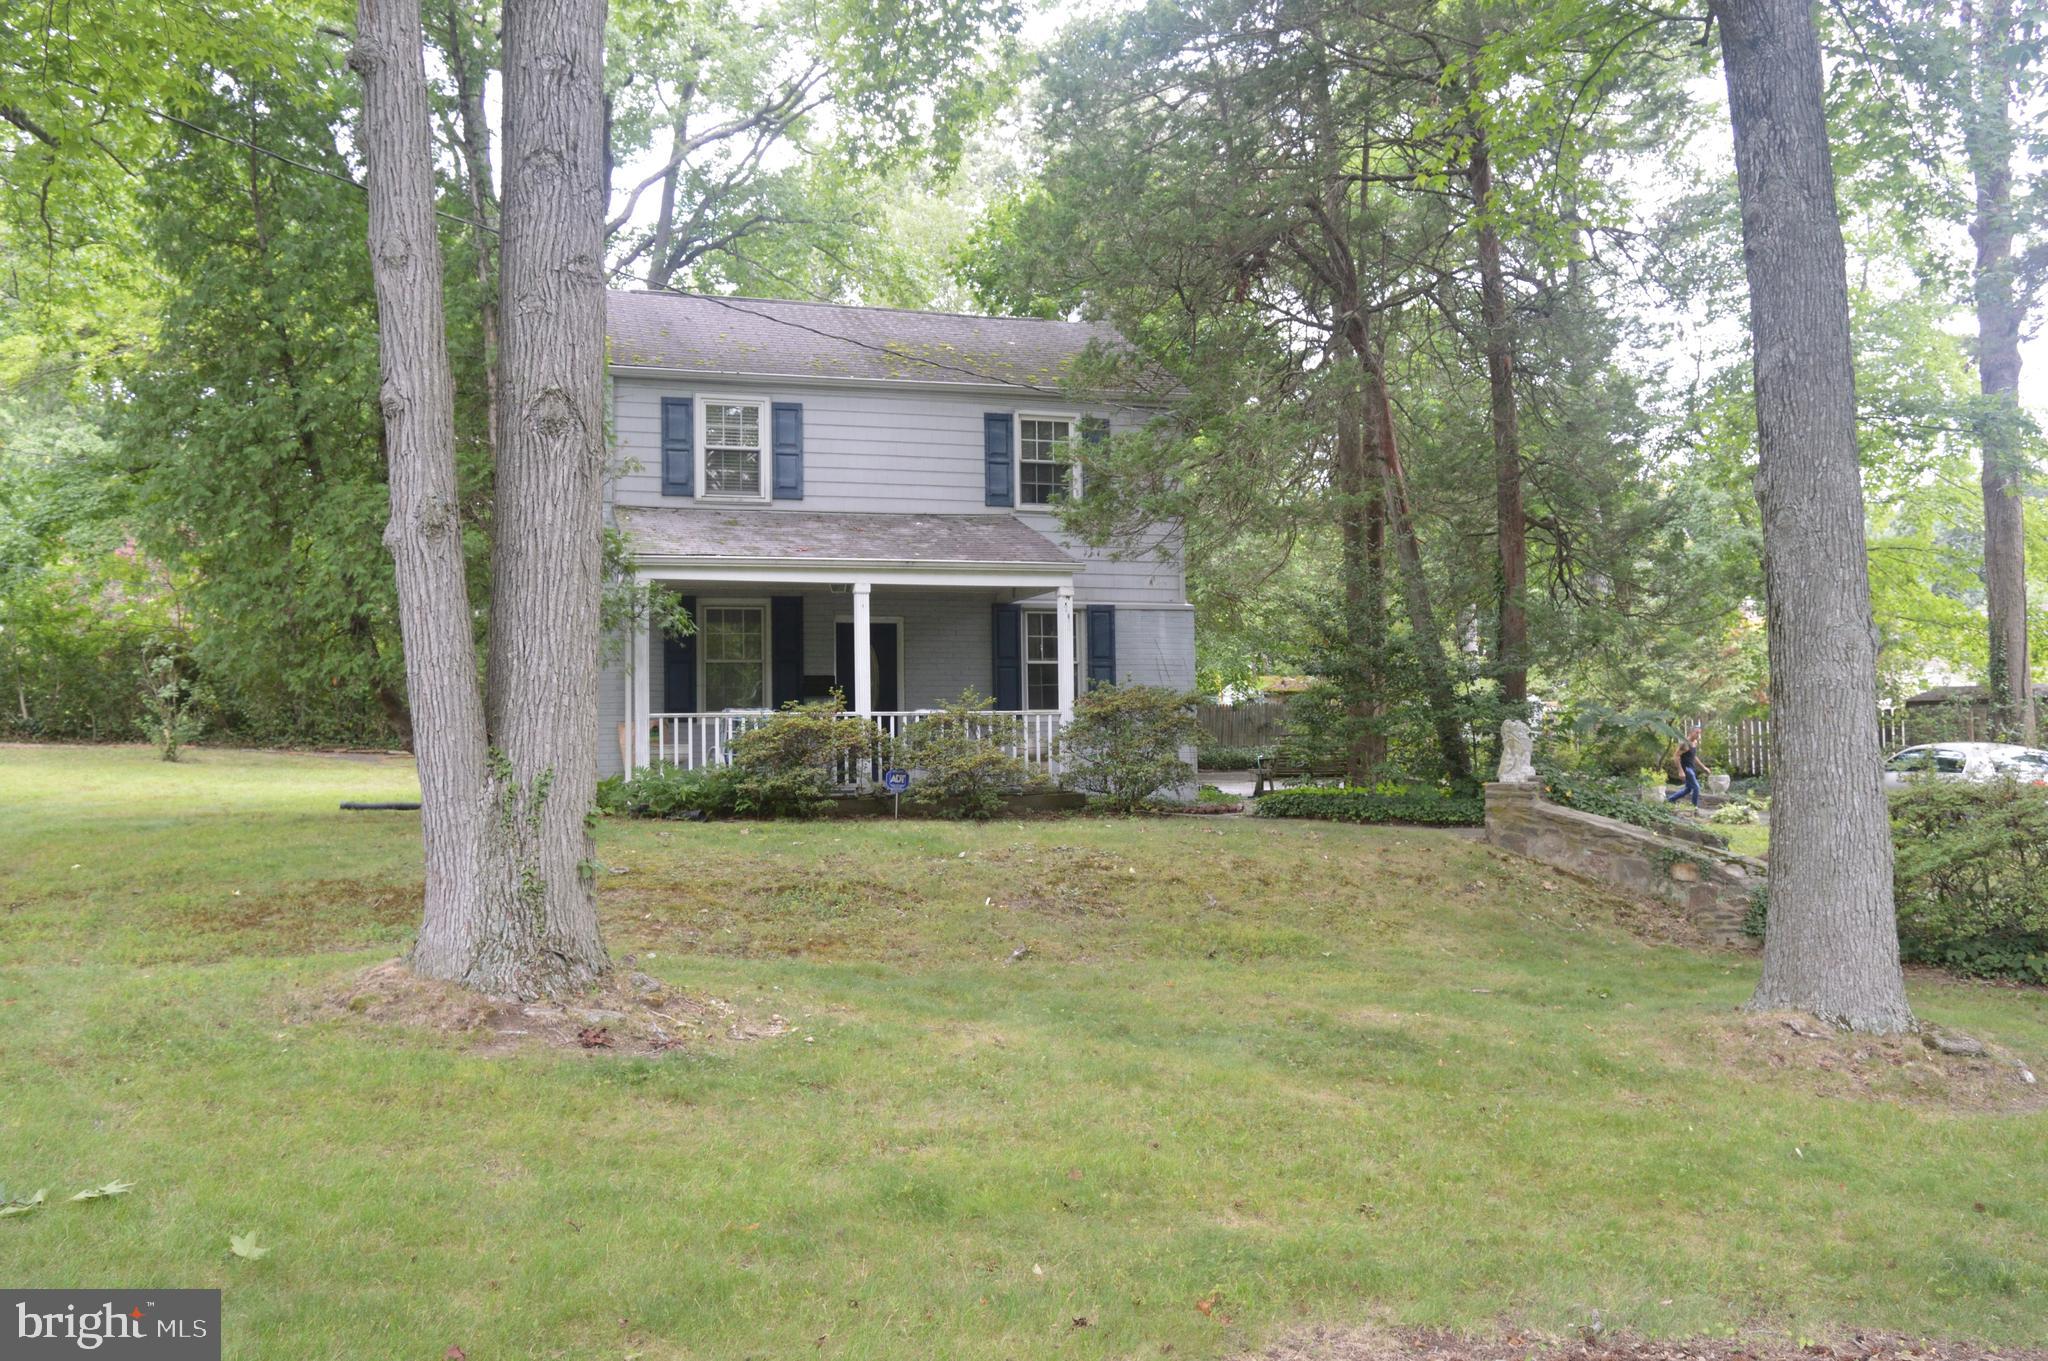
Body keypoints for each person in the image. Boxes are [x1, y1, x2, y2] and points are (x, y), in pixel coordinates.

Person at [1665, 726, 1711, 809]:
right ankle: (1694, 807)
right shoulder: (1685, 744)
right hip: (1686, 769)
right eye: (1697, 733)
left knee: (1688, 789)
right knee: (1696, 787)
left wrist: (1703, 767)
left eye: (1699, 733)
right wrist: (1680, 771)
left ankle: (1670, 800)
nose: (1698, 735)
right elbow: (1676, 756)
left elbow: (1693, 756)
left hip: (1691, 768)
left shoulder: (1695, 742)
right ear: (1691, 732)